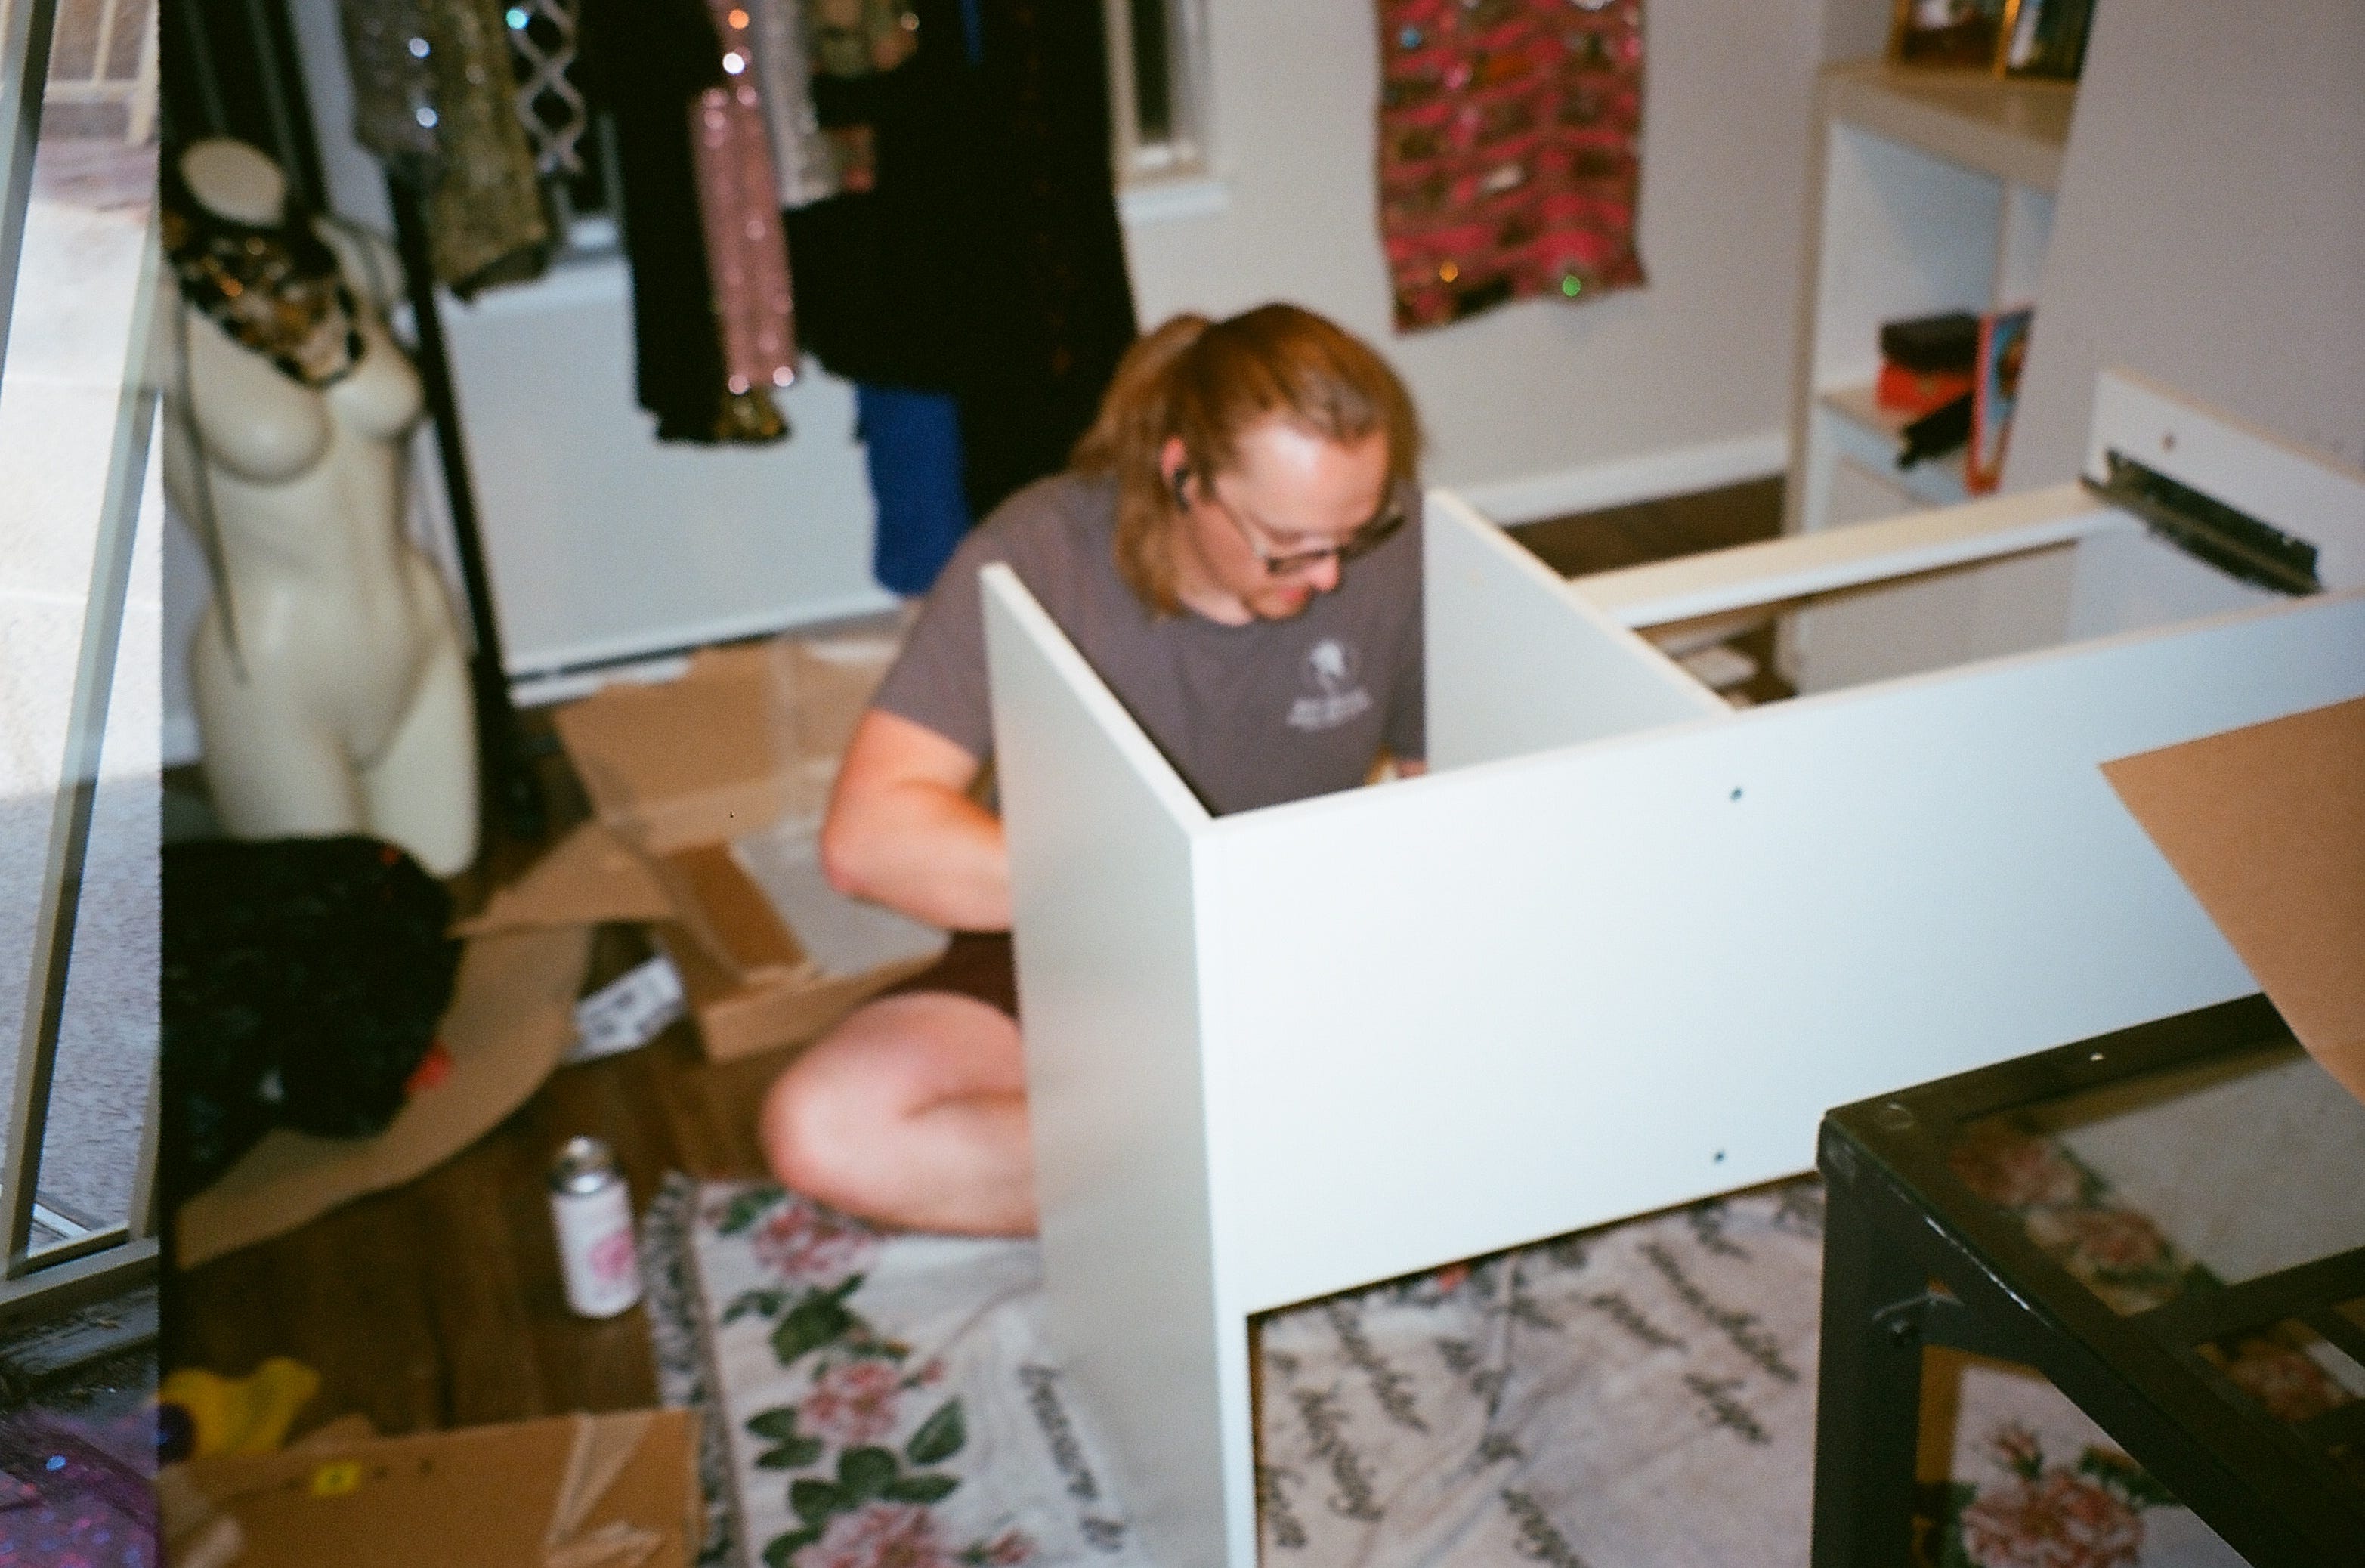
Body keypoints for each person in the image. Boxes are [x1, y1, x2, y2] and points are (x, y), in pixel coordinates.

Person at [759, 303, 1428, 1234]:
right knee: (824, 1129)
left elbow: (1447, 803)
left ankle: (1229, 1159)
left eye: (1353, 532)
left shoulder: (1390, 545)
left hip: (1299, 943)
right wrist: (1161, 894)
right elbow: (870, 837)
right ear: (1183, 476)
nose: (1328, 577)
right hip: (1075, 945)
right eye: (1288, 545)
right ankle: (1274, 1165)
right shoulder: (1040, 553)